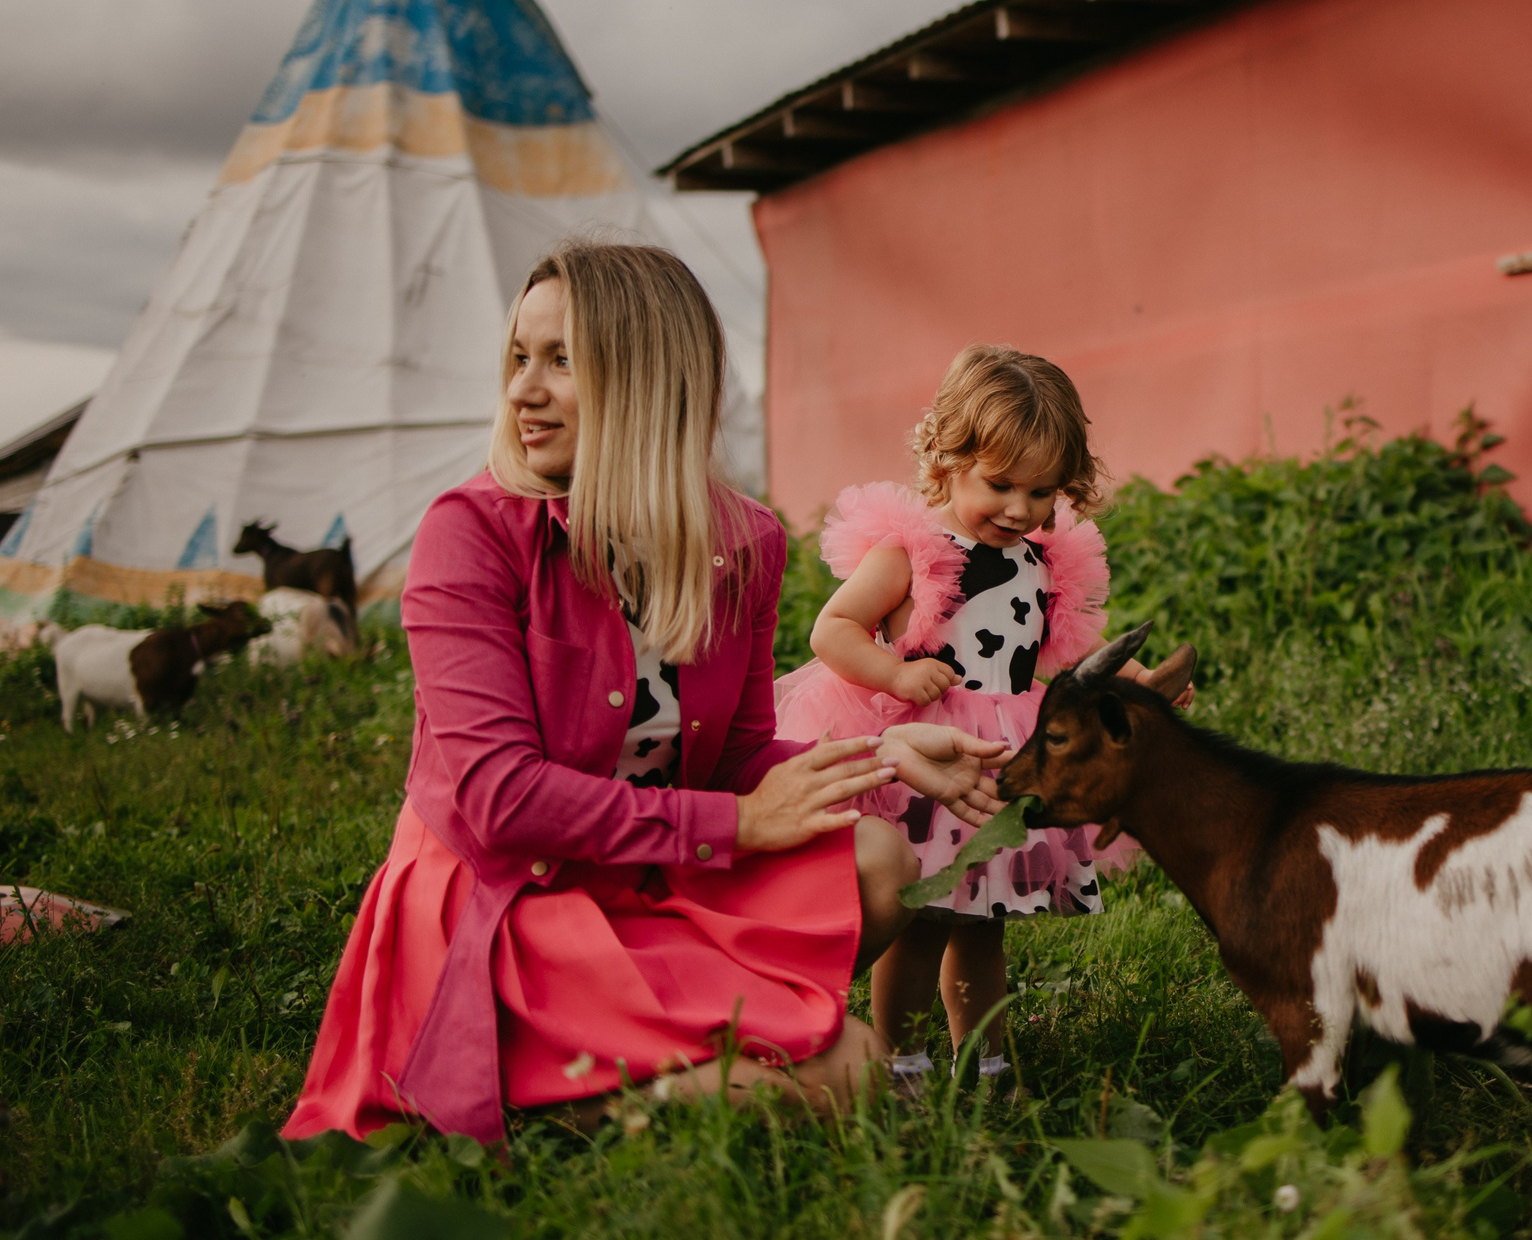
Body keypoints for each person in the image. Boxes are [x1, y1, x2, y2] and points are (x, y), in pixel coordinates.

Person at [284, 243, 1001, 1143]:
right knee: (849, 1071)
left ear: (649, 379)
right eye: (518, 357)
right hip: (511, 896)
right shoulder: (470, 533)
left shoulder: (744, 543)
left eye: (560, 361)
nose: (522, 392)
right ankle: (565, 1094)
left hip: (648, 874)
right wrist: (734, 828)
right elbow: (499, 800)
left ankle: (704, 1038)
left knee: (880, 854)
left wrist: (881, 753)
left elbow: (736, 755)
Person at [777, 345, 1175, 1082]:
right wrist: (896, 668)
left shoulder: (1041, 559)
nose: (1020, 509)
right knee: (920, 924)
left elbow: (1070, 650)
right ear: (949, 454)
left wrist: (1142, 680)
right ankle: (905, 1059)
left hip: (1003, 763)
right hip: (927, 763)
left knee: (984, 924)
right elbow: (830, 630)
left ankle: (986, 1060)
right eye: (1000, 485)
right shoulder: (914, 552)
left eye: (1042, 492)